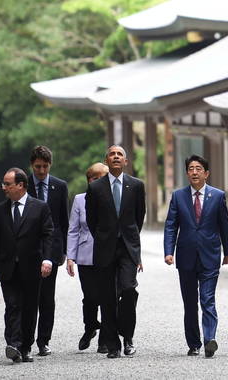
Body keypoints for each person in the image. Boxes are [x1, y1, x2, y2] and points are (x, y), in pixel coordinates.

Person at [163, 155, 228, 358]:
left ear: (206, 173)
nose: (194, 172)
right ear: (187, 173)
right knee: (190, 302)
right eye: (191, 169)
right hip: (185, 255)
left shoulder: (218, 196)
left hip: (210, 254)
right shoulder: (178, 196)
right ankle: (193, 343)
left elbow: (223, 225)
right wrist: (169, 251)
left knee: (207, 298)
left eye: (199, 168)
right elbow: (171, 225)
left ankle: (209, 339)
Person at [0, 168, 54, 363]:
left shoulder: (40, 207)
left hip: (32, 267)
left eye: (7, 184)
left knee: (30, 308)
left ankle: (26, 347)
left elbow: (48, 234)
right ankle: (13, 344)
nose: (4, 188)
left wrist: (47, 259)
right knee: (12, 305)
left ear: (21, 185)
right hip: (7, 267)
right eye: (4, 184)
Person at [85, 145, 146, 359]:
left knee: (129, 289)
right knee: (107, 296)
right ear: (107, 161)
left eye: (120, 154)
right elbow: (91, 220)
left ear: (126, 161)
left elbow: (139, 217)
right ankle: (113, 345)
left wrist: (130, 238)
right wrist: (104, 236)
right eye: (112, 154)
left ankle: (127, 336)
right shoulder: (96, 188)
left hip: (128, 247)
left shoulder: (136, 186)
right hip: (105, 247)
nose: (116, 157)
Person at [26, 145, 69, 356]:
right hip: (27, 248)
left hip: (51, 247)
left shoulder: (59, 186)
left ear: (50, 165)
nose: (41, 171)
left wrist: (64, 251)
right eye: (37, 167)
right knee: (28, 296)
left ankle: (43, 340)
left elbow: (63, 220)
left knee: (47, 297)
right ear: (31, 165)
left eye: (44, 167)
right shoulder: (23, 184)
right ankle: (25, 338)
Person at [66, 162, 109, 353]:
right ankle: (90, 326)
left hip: (108, 254)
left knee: (108, 296)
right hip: (86, 255)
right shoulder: (79, 199)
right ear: (88, 180)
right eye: (94, 178)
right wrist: (70, 257)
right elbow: (73, 229)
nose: (98, 182)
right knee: (90, 297)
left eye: (102, 178)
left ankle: (106, 338)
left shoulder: (113, 198)